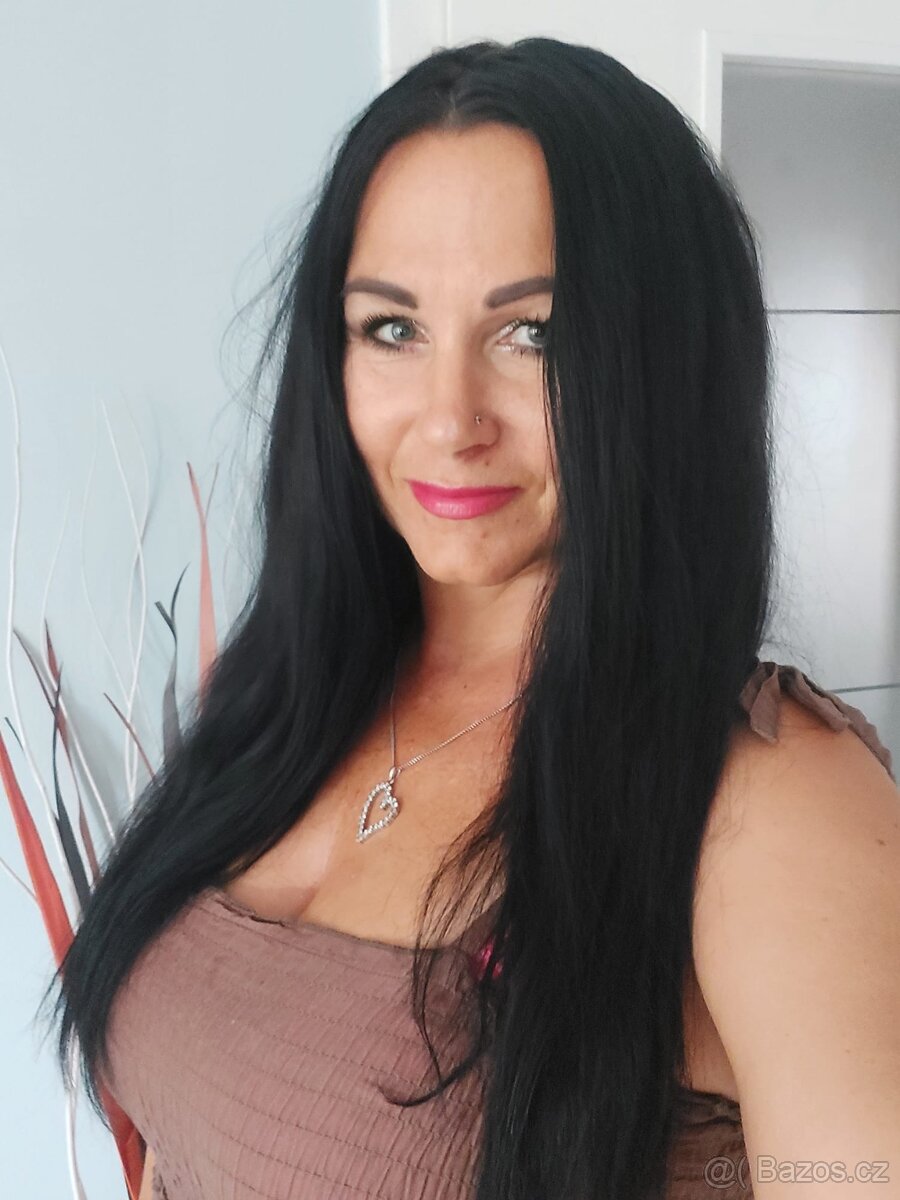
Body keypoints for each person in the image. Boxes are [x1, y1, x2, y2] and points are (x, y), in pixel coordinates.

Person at [39, 37, 899, 1200]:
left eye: (534, 333)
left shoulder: (775, 800)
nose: (449, 420)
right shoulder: (288, 695)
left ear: (661, 361)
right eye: (392, 329)